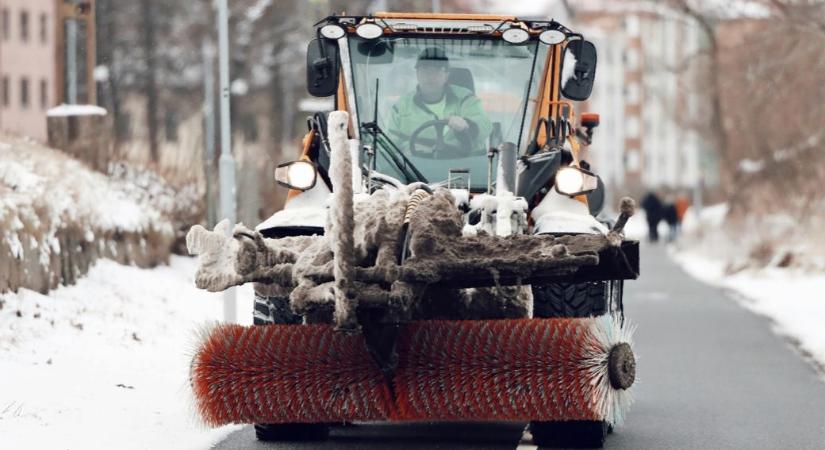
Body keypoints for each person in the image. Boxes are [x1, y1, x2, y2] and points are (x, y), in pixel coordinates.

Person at [387, 47, 492, 156]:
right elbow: (389, 143)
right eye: (425, 69)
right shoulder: (401, 106)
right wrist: (407, 149)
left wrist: (467, 125)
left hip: (462, 166)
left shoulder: (465, 98)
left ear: (446, 75)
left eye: (437, 70)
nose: (430, 76)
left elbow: (485, 125)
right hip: (413, 168)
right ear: (417, 74)